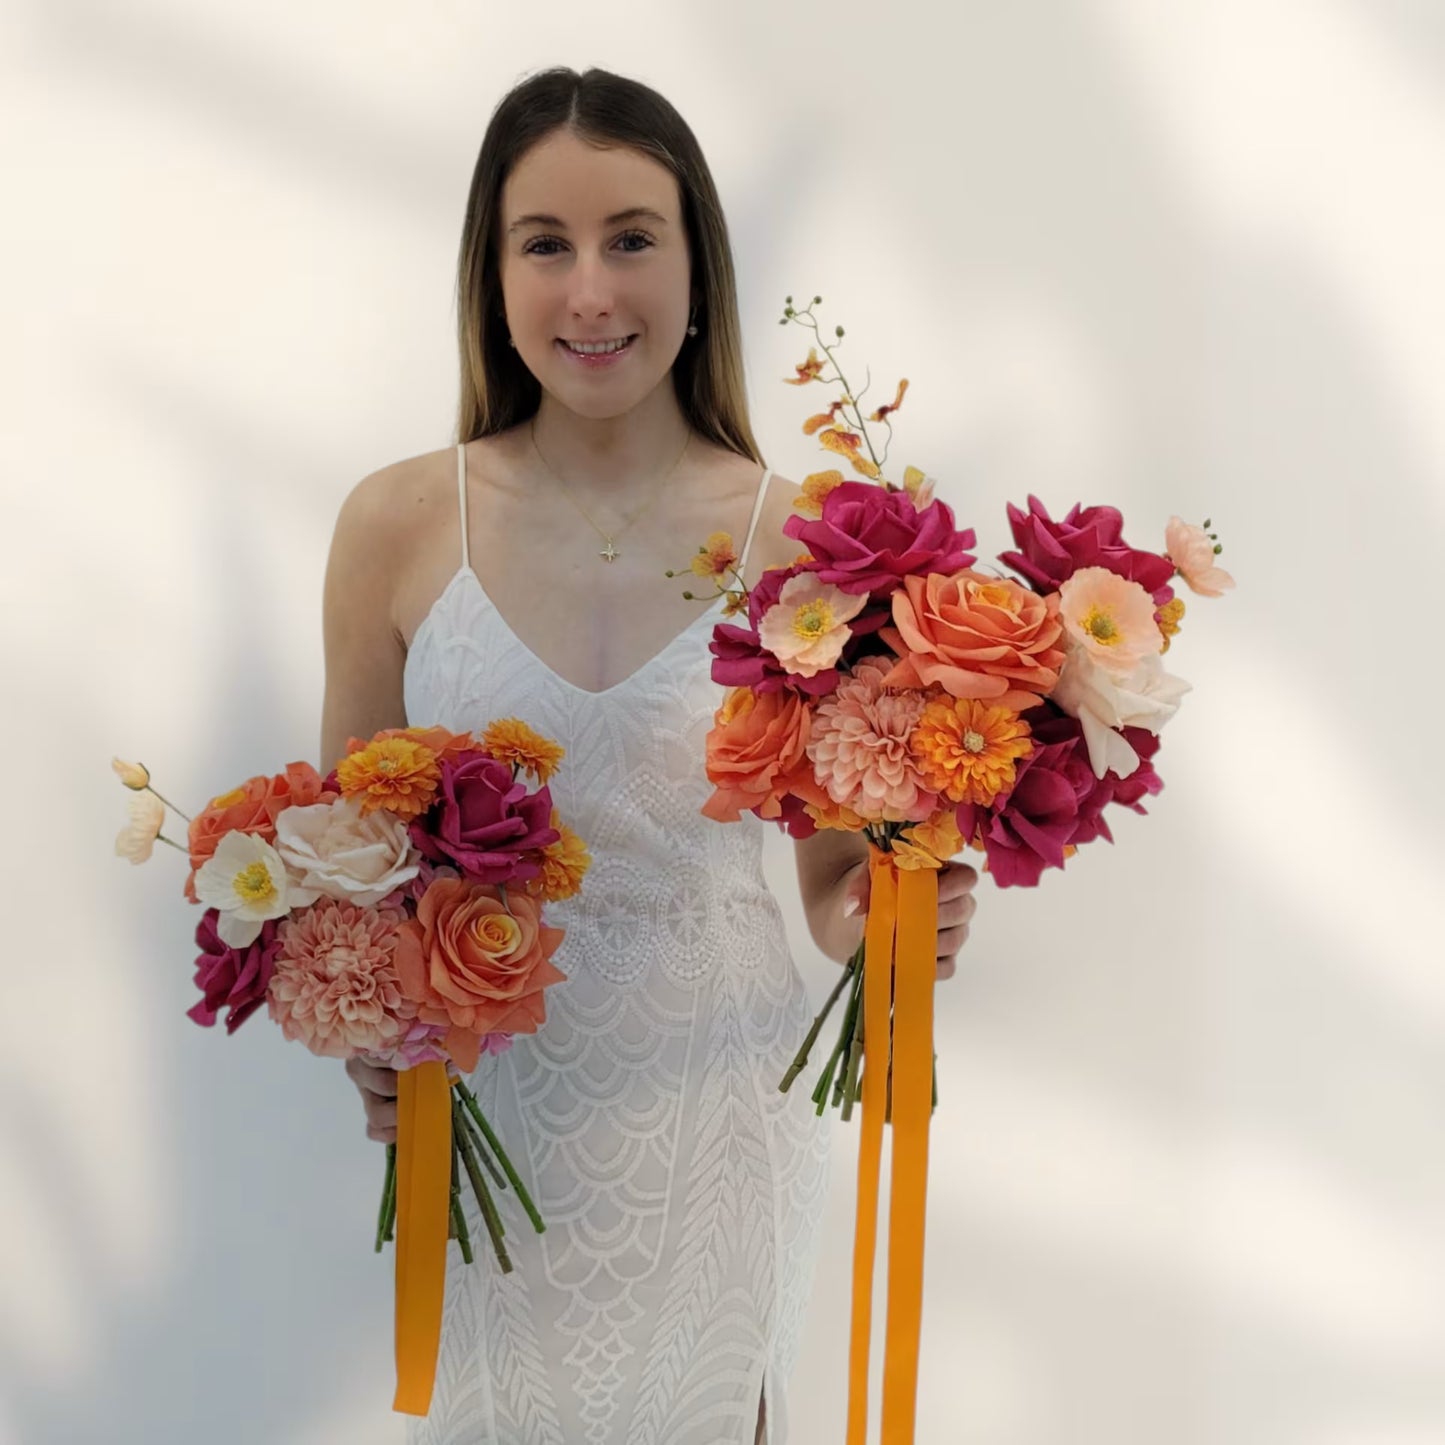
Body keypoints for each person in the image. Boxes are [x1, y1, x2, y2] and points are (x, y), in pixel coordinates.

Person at [320, 65, 978, 1445]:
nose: (590, 293)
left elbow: (822, 874)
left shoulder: (805, 543)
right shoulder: (395, 524)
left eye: (631, 236)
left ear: (697, 262)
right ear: (489, 271)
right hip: (495, 1112)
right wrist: (367, 1032)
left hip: (720, 1099)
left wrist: (885, 913)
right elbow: (350, 869)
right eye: (543, 244)